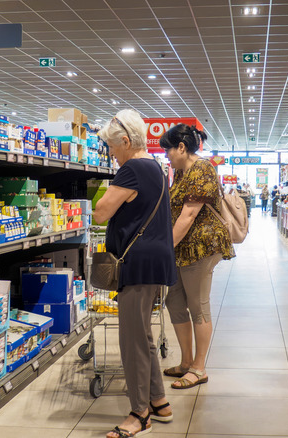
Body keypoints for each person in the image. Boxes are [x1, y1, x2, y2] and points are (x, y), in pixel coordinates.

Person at [93, 110, 178, 438]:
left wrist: (104, 195)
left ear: (126, 142)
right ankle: (158, 400)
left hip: (137, 263)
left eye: (113, 148)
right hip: (154, 260)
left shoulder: (131, 169)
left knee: (131, 340)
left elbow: (101, 214)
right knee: (142, 334)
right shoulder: (154, 167)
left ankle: (139, 413)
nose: (112, 154)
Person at [158, 124, 236, 390]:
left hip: (201, 247)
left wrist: (164, 247)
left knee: (197, 304)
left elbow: (189, 215)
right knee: (175, 302)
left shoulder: (202, 168)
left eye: (168, 149)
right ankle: (186, 361)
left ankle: (199, 368)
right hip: (181, 247)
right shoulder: (181, 172)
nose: (166, 155)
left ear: (181, 147)